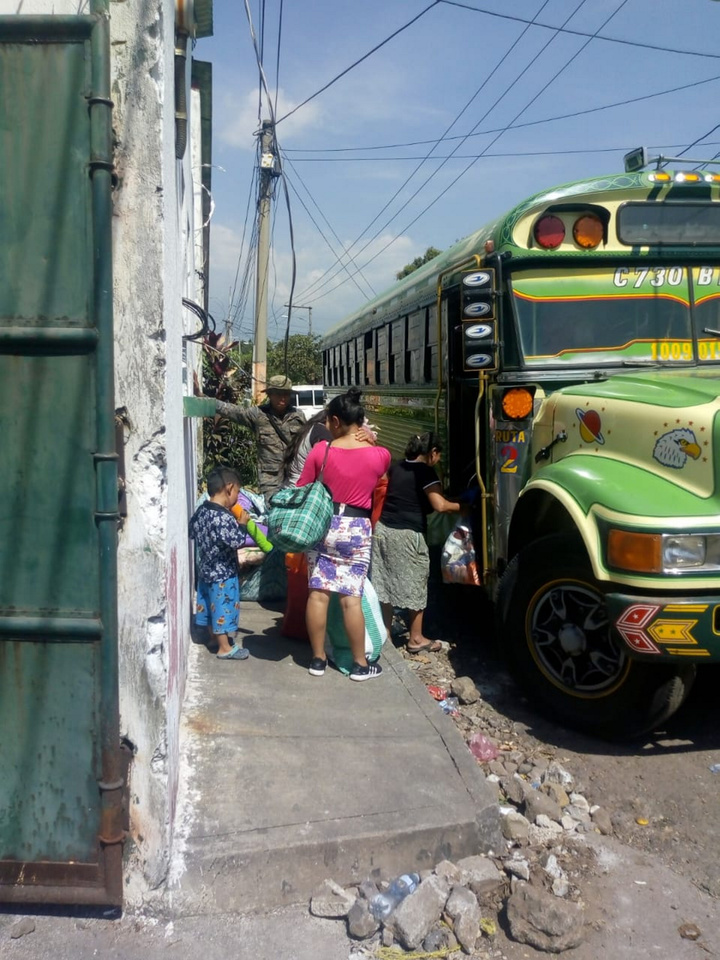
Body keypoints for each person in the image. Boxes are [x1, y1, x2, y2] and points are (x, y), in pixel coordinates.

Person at [297, 387, 391, 681]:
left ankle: (317, 660)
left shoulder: (320, 451)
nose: (325, 426)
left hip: (324, 527)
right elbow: (381, 480)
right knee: (351, 597)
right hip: (357, 528)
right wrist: (371, 439)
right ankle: (360, 665)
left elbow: (301, 490)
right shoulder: (380, 455)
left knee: (318, 595)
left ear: (336, 421)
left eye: (327, 420)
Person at [371, 432, 461, 654]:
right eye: (438, 455)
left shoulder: (398, 465)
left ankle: (385, 633)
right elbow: (439, 505)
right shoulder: (426, 472)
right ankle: (417, 638)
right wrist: (465, 506)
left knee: (385, 582)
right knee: (416, 582)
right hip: (407, 534)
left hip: (383, 530)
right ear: (432, 453)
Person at [189, 466, 250, 660]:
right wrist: (242, 524)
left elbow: (191, 532)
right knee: (223, 607)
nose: (237, 498)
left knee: (209, 605)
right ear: (229, 488)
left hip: (205, 570)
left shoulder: (201, 511)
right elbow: (236, 541)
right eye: (238, 493)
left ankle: (214, 639)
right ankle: (225, 647)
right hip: (223, 573)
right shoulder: (223, 517)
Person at [214, 375, 307, 500]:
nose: (283, 398)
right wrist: (205, 399)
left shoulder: (298, 416)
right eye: (278, 394)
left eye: (286, 394)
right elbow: (231, 411)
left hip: (295, 475)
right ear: (269, 394)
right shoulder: (258, 415)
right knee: (272, 509)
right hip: (270, 479)